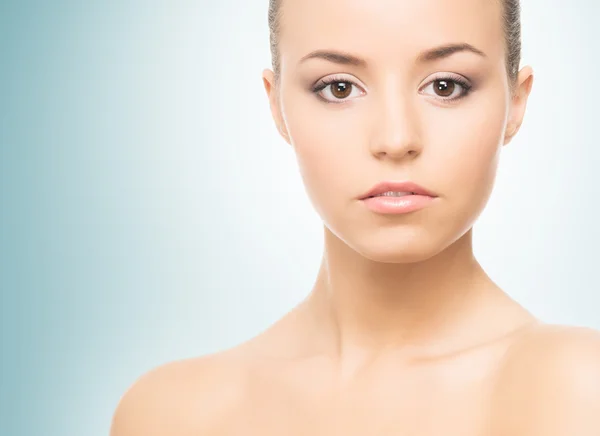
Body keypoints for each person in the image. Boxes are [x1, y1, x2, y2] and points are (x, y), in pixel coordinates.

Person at [110, 0, 600, 434]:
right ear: (276, 105)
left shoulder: (580, 391)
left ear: (517, 102)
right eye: (339, 88)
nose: (395, 137)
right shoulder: (169, 415)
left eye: (446, 86)